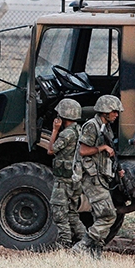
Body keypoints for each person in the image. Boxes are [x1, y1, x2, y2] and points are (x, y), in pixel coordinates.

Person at [72, 94, 124, 259]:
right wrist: (102, 148)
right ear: (105, 111)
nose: (116, 115)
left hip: (101, 176)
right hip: (91, 177)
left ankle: (95, 253)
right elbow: (83, 151)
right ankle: (83, 246)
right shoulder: (92, 126)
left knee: (99, 216)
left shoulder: (105, 126)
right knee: (108, 215)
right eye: (114, 112)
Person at [47, 98, 86, 250]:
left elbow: (51, 150)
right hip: (75, 177)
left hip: (64, 179)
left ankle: (64, 242)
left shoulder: (66, 134)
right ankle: (85, 240)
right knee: (71, 213)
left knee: (58, 212)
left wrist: (55, 130)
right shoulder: (79, 129)